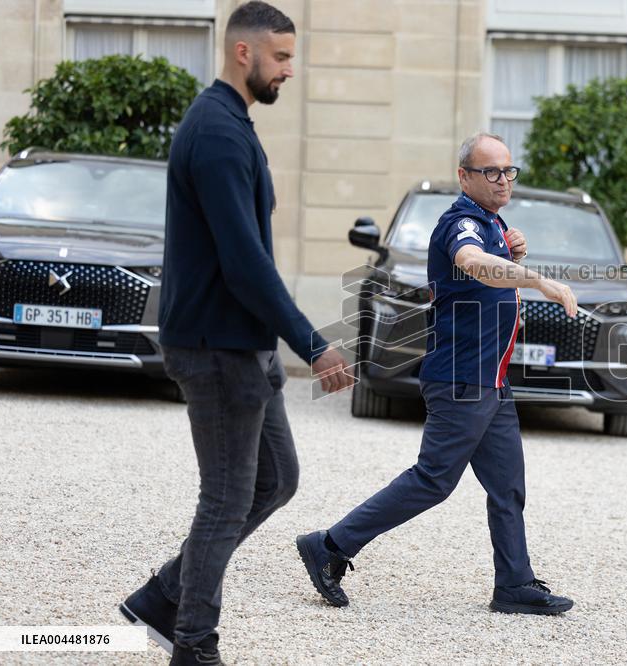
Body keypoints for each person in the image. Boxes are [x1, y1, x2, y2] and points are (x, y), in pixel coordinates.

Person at [118, 3, 353, 664]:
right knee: (225, 500)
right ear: (243, 53)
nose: (290, 70)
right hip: (216, 350)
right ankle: (193, 645)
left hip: (242, 347)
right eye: (280, 57)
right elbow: (244, 261)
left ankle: (164, 595)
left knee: (275, 480)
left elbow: (249, 260)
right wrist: (313, 342)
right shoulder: (217, 132)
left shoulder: (233, 124)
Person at [296, 133, 578, 615]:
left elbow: (491, 270)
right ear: (465, 176)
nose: (503, 180)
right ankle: (330, 545)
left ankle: (514, 585)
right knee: (433, 480)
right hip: (462, 379)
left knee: (508, 485)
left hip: (491, 380)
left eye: (509, 170)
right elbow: (472, 263)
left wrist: (516, 256)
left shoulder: (491, 221)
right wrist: (535, 279)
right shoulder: (461, 223)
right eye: (491, 171)